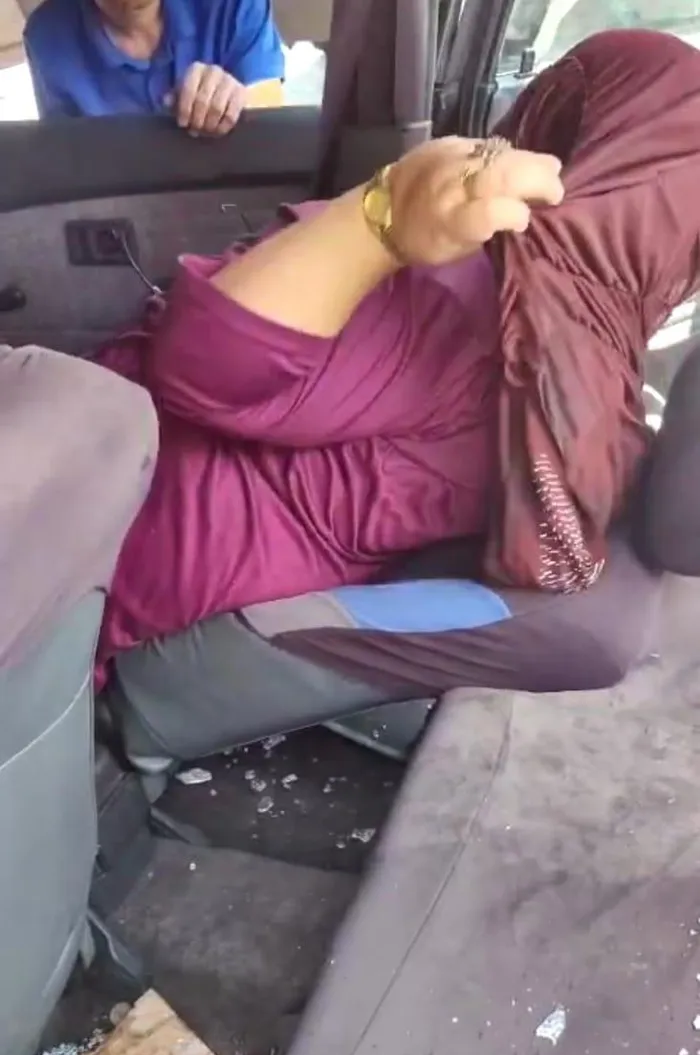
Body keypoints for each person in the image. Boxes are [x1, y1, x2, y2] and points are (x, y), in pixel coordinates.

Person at [93, 28, 700, 677]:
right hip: (158, 583)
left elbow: (205, 368)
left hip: (96, 563)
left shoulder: (457, 291)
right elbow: (552, 554)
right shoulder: (599, 405)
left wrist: (373, 224)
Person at [24, 0, 284, 132]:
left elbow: (273, 120)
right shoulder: (47, 36)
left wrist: (234, 102)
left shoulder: (231, 4)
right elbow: (68, 157)